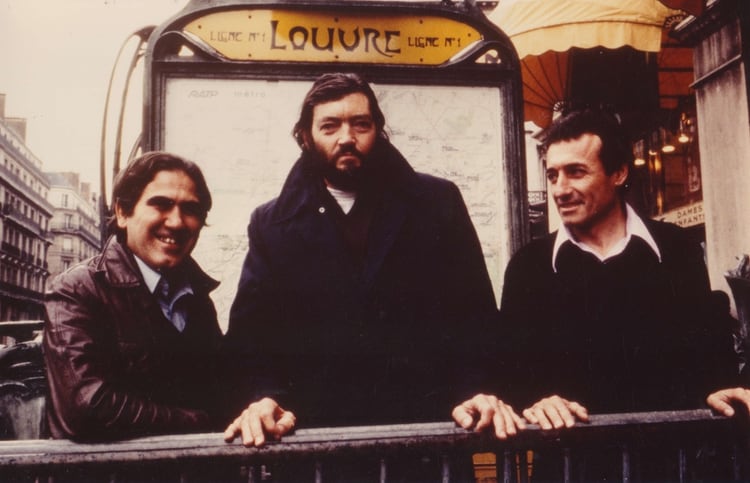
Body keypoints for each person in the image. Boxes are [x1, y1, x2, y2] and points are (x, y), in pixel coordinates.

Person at [222, 73, 518, 456]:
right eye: (330, 125)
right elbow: (254, 336)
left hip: (428, 434)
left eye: (360, 123)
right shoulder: (272, 223)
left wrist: (474, 390)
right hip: (313, 442)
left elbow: (474, 316)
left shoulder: (436, 202)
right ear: (305, 137)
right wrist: (264, 398)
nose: (347, 137)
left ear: (378, 130)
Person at [453, 107, 750, 478]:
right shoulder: (530, 267)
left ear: (619, 173)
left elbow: (706, 354)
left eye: (576, 172)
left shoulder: (676, 251)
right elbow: (507, 375)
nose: (560, 189)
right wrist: (535, 400)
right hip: (570, 471)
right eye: (553, 174)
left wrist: (720, 389)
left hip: (671, 468)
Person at [43, 151, 294, 443]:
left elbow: (225, 387)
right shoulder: (76, 290)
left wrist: (261, 407)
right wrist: (203, 422)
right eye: (161, 205)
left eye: (190, 209)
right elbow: (87, 407)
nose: (176, 222)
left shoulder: (196, 298)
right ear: (123, 213)